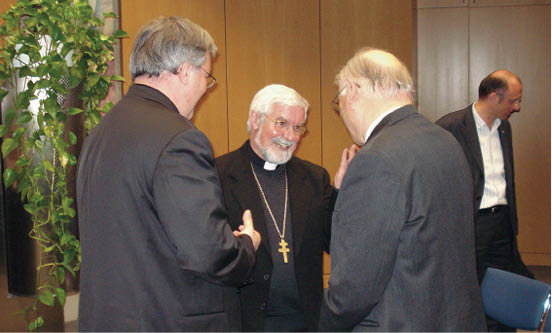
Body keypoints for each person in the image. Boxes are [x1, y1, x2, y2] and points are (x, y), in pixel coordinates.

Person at [76, 16, 260, 331]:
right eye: (207, 76)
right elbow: (209, 254)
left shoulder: (102, 131)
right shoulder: (179, 138)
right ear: (186, 71)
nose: (206, 88)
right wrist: (245, 247)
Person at [318, 48, 487, 331]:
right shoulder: (445, 141)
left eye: (339, 101)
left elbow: (354, 290)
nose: (342, 112)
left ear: (353, 90)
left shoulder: (374, 159)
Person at [215, 84, 354, 331]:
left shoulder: (313, 177)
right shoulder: (219, 175)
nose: (290, 136)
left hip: (306, 322)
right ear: (255, 119)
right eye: (281, 123)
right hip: (247, 322)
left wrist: (341, 193)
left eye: (298, 127)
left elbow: (336, 243)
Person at [436, 69, 534, 331]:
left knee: (505, 290)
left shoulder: (505, 128)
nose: (518, 107)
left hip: (502, 223)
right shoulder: (451, 127)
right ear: (493, 97)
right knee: (471, 290)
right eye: (513, 101)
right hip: (471, 225)